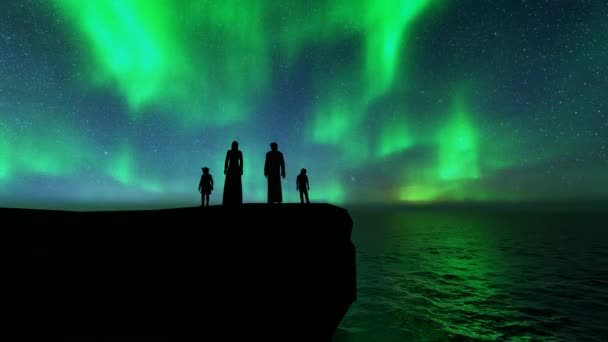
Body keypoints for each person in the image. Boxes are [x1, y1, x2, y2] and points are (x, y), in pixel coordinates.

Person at [223, 140, 243, 205]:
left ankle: (236, 200)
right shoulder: (229, 152)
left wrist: (241, 169)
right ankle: (230, 200)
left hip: (235, 170)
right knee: (230, 184)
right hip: (232, 169)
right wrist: (225, 168)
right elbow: (226, 160)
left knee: (235, 185)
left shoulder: (239, 152)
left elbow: (241, 162)